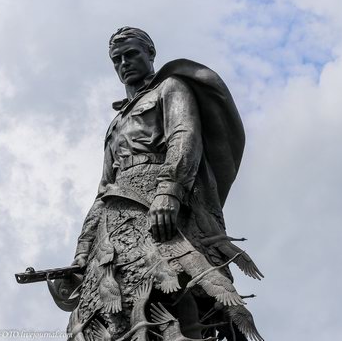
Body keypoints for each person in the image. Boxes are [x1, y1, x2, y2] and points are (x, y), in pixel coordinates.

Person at [68, 27, 263, 340]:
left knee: (178, 286)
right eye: (116, 60)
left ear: (150, 54)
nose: (123, 64)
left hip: (159, 208)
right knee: (115, 313)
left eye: (131, 54)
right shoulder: (115, 124)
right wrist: (82, 252)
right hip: (116, 223)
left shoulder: (170, 88)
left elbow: (184, 137)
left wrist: (169, 192)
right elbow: (104, 188)